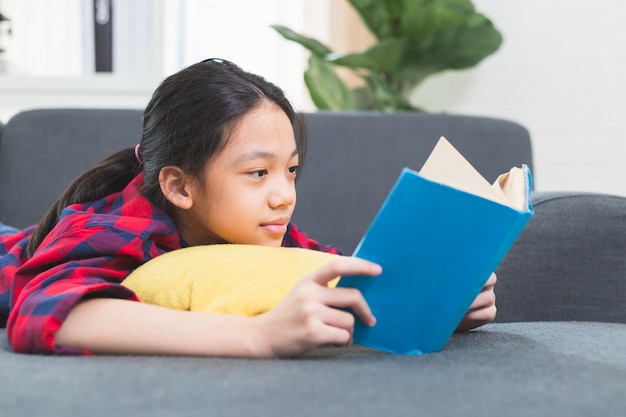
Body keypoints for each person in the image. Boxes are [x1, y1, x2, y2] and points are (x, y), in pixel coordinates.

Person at [0, 58, 497, 357]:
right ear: (179, 187)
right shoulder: (115, 224)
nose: (284, 194)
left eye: (292, 170)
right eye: (258, 173)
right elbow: (46, 315)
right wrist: (257, 335)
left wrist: (444, 301)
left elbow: (342, 283)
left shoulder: (261, 230)